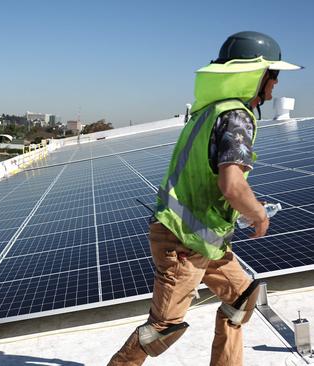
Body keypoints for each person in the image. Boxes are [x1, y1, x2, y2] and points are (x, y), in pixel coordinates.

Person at [108, 31, 302, 366]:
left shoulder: (208, 111)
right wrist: (257, 213)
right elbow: (232, 182)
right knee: (161, 328)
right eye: (273, 76)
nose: (275, 85)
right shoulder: (236, 116)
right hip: (182, 242)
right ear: (256, 76)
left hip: (203, 239)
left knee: (241, 298)